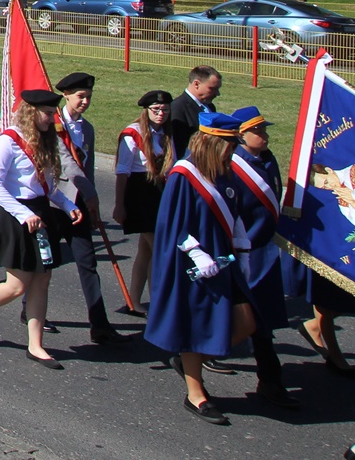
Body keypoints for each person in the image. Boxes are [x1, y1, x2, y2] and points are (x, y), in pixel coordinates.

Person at [144, 112, 256, 425]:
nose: (233, 151)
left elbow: (234, 215)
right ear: (211, 143)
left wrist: (243, 251)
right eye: (229, 145)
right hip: (195, 263)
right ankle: (196, 394)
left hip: (224, 260)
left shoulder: (225, 172)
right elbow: (172, 223)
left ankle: (190, 361)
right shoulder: (184, 174)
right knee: (197, 327)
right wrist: (197, 254)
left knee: (246, 322)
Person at [0, 89, 83, 369]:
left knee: (42, 281)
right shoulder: (8, 142)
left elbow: (48, 187)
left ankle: (36, 345)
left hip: (41, 213)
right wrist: (24, 214)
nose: (52, 119)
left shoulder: (47, 140)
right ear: (31, 112)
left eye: (53, 114)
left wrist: (67, 205)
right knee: (16, 286)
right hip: (16, 214)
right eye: (47, 114)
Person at [48, 72, 132, 345]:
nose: (84, 101)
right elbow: (66, 164)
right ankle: (31, 310)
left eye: (88, 97)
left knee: (88, 262)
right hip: (54, 202)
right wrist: (91, 193)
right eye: (80, 96)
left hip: (80, 204)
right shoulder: (53, 125)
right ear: (66, 96)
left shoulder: (88, 129)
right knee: (46, 262)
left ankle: (99, 325)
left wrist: (91, 203)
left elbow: (88, 168)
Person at [229, 106, 301, 409]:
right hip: (247, 253)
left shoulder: (268, 159)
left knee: (263, 320)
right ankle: (270, 380)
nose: (264, 135)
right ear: (241, 135)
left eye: (264, 129)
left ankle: (269, 379)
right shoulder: (233, 166)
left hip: (268, 251)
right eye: (257, 131)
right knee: (253, 321)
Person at [113, 90, 172, 316]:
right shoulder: (132, 134)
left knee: (146, 251)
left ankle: (134, 301)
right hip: (139, 194)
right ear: (146, 111)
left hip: (157, 193)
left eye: (165, 109)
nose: (161, 114)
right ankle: (159, 303)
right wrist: (119, 205)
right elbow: (122, 172)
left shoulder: (166, 133)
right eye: (156, 109)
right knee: (159, 250)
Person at [169, 65, 221, 158]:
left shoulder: (210, 107)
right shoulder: (178, 108)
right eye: (212, 88)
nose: (217, 93)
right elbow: (178, 145)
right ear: (196, 84)